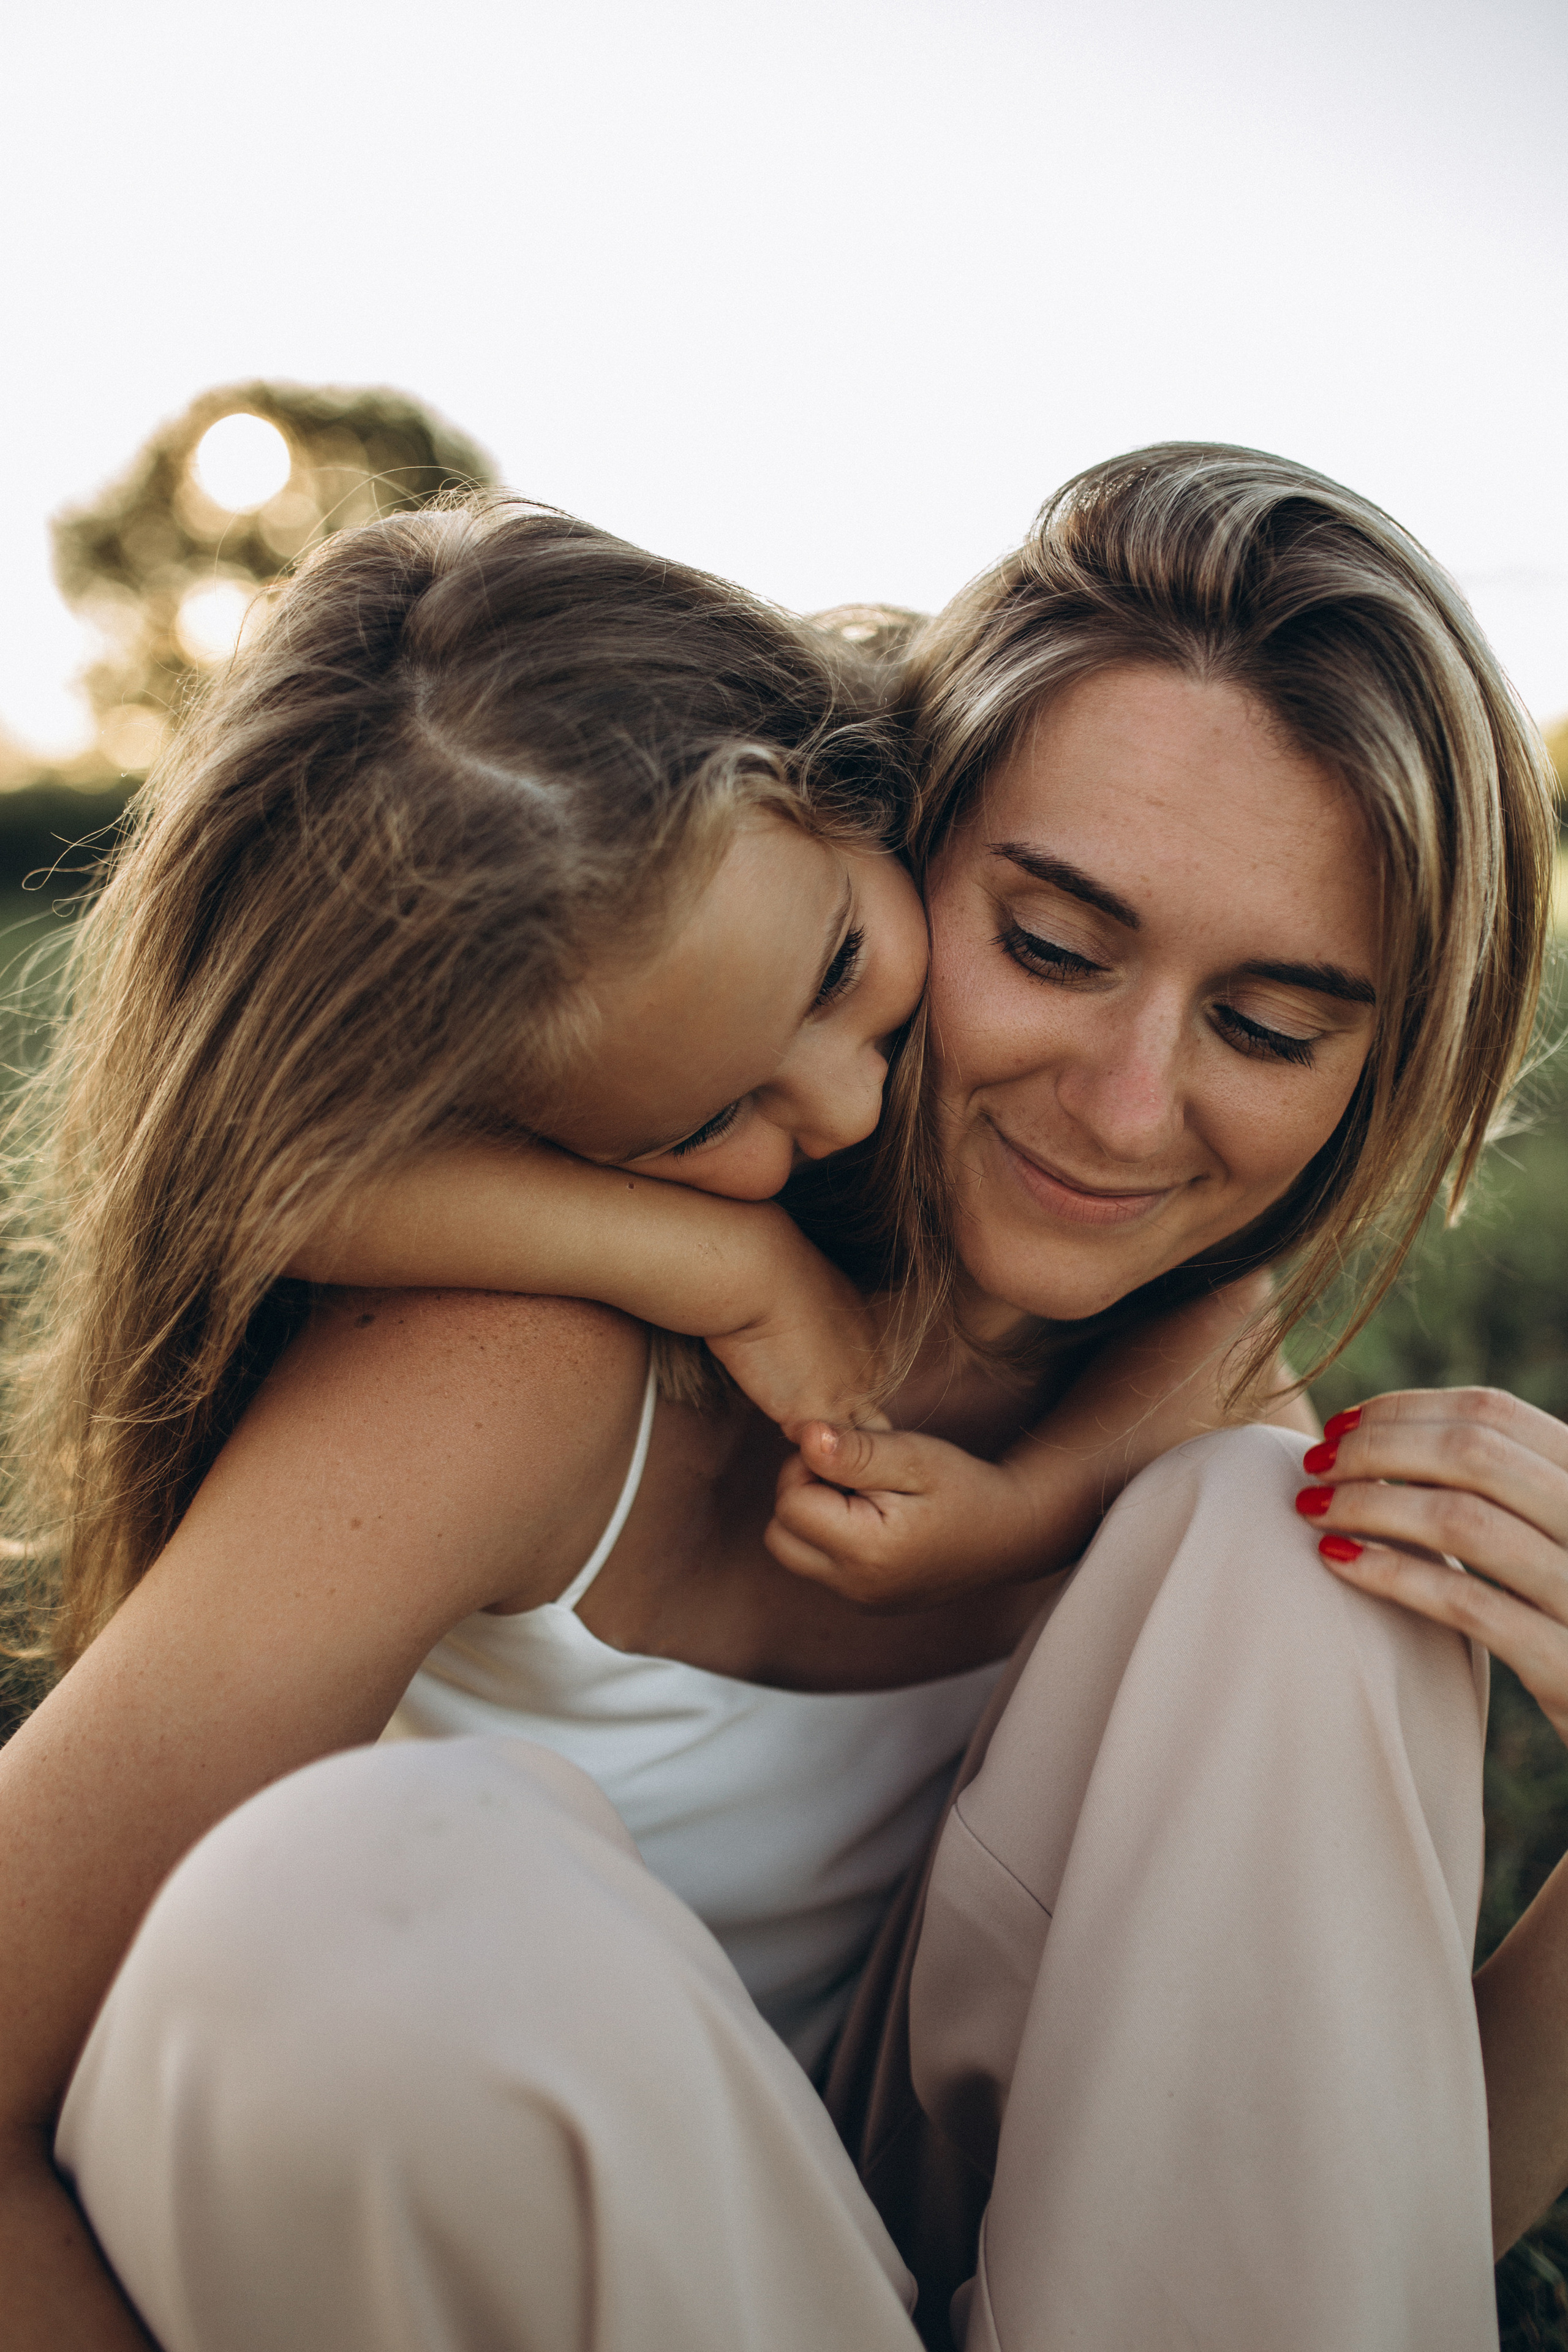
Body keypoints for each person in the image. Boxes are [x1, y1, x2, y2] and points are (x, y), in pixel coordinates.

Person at [2, 445, 1562, 2350]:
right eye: (1053, 946)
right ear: (899, 823)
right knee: (347, 1895)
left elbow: (1344, 2217)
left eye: (1270, 1026)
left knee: (1296, 1543)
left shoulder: (1212, 1437)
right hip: (462, 2233)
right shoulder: (532, 1360)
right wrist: (725, 1263)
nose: (1130, 1105)